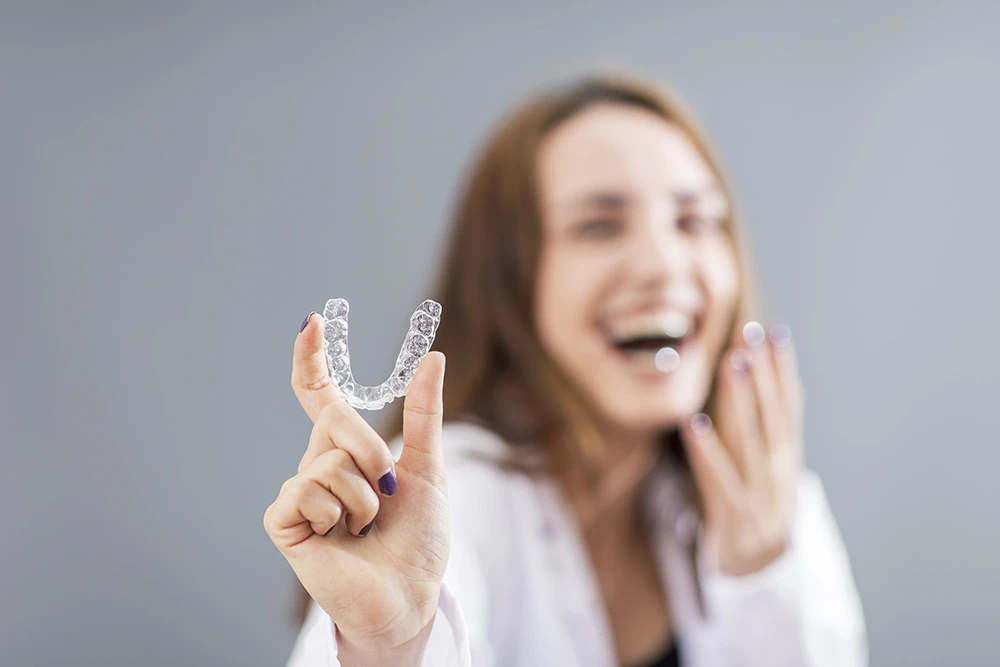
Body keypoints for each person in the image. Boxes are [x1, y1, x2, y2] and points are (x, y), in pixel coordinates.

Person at [264, 72, 868, 667]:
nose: (663, 263)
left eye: (695, 221)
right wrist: (388, 650)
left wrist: (763, 573)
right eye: (598, 226)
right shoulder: (448, 498)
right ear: (511, 283)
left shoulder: (760, 499)